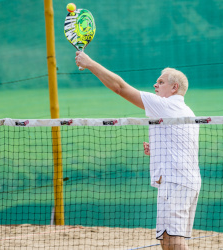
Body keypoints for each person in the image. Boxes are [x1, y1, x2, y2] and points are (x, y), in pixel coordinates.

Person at [75, 51, 201, 250]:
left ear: (174, 87)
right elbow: (183, 145)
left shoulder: (165, 105)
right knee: (167, 239)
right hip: (184, 181)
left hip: (175, 182)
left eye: (160, 82)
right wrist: (157, 149)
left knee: (174, 239)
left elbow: (120, 88)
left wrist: (90, 63)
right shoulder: (187, 112)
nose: (155, 85)